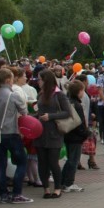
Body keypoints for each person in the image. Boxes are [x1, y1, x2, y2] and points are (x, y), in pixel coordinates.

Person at [34, 69, 72, 199]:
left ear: (46, 80)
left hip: (54, 132)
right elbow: (38, 111)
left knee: (53, 162)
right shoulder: (40, 94)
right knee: (42, 162)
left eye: (40, 79)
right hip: (40, 132)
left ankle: (57, 188)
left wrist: (50, 116)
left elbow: (67, 112)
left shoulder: (59, 94)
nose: (38, 81)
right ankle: (45, 188)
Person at [61, 80, 89, 192]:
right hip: (75, 137)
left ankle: (62, 181)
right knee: (73, 160)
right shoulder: (77, 105)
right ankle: (68, 183)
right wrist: (85, 134)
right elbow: (80, 122)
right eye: (82, 90)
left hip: (68, 134)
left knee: (70, 159)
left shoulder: (68, 102)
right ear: (79, 91)